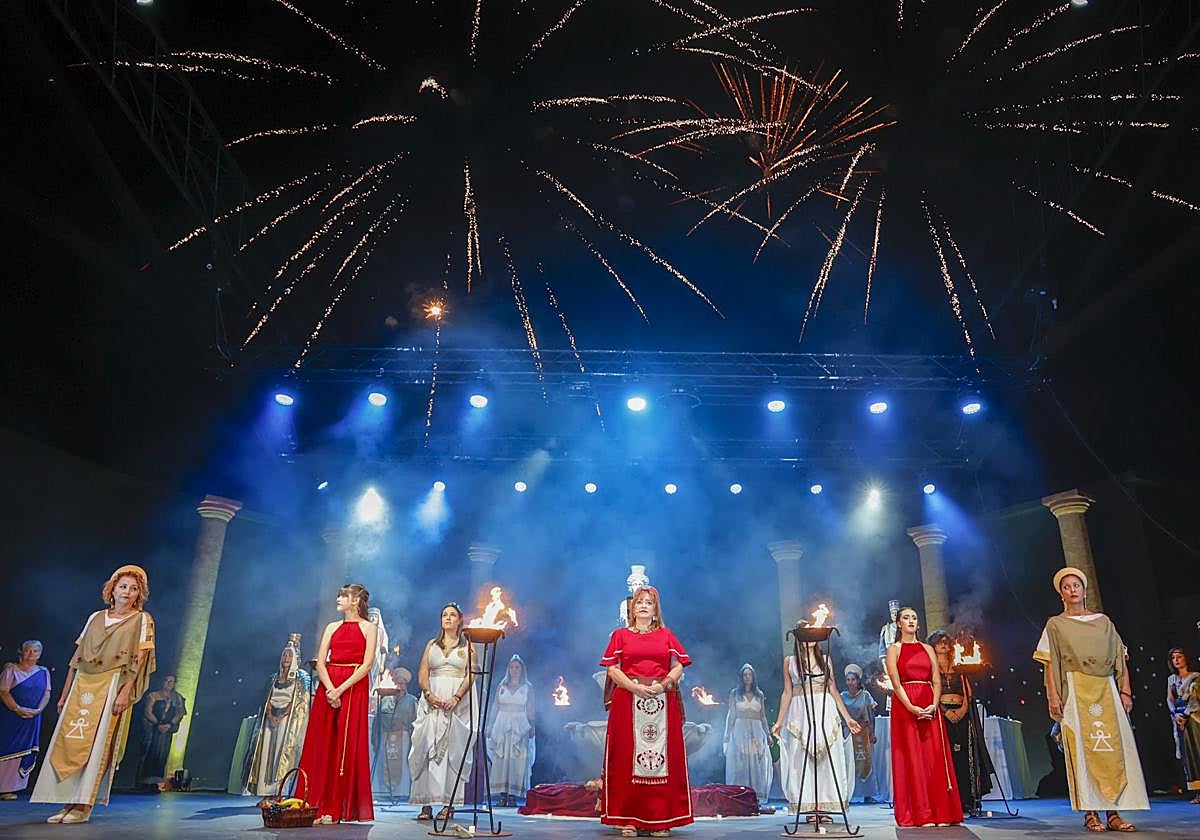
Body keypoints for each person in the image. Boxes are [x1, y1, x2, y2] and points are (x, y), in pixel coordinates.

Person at [31, 565, 156, 825]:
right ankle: (67, 802)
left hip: (111, 683)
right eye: (123, 586)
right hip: (83, 683)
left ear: (138, 594)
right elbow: (76, 659)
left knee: (99, 744)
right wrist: (65, 693)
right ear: (112, 589)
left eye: (133, 589)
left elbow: (139, 660)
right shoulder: (96, 617)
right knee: (70, 740)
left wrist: (124, 692)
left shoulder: (142, 620)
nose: (127, 592)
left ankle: (84, 805)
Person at [1035, 567, 1148, 832]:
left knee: (1111, 748)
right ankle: (1090, 813)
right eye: (1067, 586)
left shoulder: (1103, 622)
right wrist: (1053, 695)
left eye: (1076, 585)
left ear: (1084, 590)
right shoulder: (1056, 624)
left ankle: (1114, 812)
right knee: (1082, 751)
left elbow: (1120, 657)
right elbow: (1049, 663)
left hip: (1105, 687)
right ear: (1061, 593)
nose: (1072, 590)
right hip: (1075, 688)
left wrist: (1125, 690)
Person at [600, 585, 693, 837]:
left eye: (648, 602)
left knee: (663, 760)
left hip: (662, 702)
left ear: (655, 609)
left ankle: (660, 819)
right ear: (633, 608)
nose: (642, 605)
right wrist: (633, 687)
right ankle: (627, 817)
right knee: (624, 758)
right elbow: (612, 669)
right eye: (639, 601)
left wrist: (662, 685)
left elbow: (678, 666)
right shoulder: (620, 635)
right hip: (627, 702)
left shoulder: (666, 635)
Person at [295, 584, 376, 825]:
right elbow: (320, 661)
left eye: (344, 596)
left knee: (344, 747)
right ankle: (314, 803)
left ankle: (335, 806)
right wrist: (330, 688)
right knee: (322, 743)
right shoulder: (332, 627)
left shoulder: (369, 628)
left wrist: (340, 689)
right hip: (328, 684)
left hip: (352, 687)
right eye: (339, 595)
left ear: (356, 601)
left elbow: (367, 663)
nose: (339, 599)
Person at [885, 606, 962, 827]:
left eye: (914, 618)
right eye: (906, 618)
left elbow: (936, 679)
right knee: (913, 759)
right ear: (899, 623)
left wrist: (934, 704)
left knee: (934, 757)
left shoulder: (927, 648)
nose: (911, 621)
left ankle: (942, 812)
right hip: (906, 705)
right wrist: (910, 706)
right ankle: (921, 813)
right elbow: (896, 682)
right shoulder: (894, 649)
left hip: (929, 703)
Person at [772, 627, 860, 821]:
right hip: (800, 710)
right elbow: (787, 692)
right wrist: (779, 722)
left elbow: (834, 690)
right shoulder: (790, 662)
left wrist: (847, 717)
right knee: (802, 759)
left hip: (824, 708)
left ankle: (827, 805)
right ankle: (810, 806)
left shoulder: (825, 659)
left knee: (826, 757)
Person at [410, 603, 477, 822]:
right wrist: (429, 694)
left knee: (451, 752)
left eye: (452, 615)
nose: (447, 618)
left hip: (455, 703)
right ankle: (426, 803)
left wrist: (456, 697)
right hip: (433, 701)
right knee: (427, 746)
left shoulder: (467, 646)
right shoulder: (432, 644)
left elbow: (471, 674)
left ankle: (449, 804)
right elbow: (423, 672)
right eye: (444, 615)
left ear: (460, 620)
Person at [928, 630, 992, 812]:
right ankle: (948, 800)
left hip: (962, 715)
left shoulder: (958, 668)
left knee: (965, 756)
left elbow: (968, 693)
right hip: (942, 715)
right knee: (947, 756)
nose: (943, 644)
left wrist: (962, 710)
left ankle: (967, 798)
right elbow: (931, 693)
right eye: (939, 642)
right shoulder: (931, 670)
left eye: (945, 641)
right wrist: (946, 711)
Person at [244, 636, 311, 796]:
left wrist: (282, 715)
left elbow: (301, 701)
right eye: (284, 655)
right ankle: (264, 790)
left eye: (290, 655)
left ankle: (280, 790)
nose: (286, 658)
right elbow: (266, 698)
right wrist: (270, 715)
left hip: (288, 720)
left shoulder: (301, 678)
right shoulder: (273, 678)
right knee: (267, 752)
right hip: (270, 718)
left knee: (282, 753)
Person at [0, 641, 51, 799]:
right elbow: (3, 692)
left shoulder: (43, 672)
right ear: (21, 652)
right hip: (11, 715)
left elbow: (47, 693)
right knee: (7, 747)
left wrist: (38, 710)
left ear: (39, 654)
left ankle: (9, 788)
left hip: (32, 717)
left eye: (35, 651)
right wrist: (17, 709)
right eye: (28, 650)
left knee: (25, 750)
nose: (31, 654)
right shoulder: (11, 670)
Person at [487, 654, 535, 807]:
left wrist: (532, 725)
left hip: (519, 724)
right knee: (502, 759)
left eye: (517, 667)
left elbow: (530, 708)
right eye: (512, 667)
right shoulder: (502, 686)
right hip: (502, 722)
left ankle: (513, 795)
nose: (514, 670)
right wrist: (490, 724)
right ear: (508, 669)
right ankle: (502, 794)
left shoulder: (527, 687)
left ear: (522, 670)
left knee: (517, 761)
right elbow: (495, 706)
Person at [723, 663, 773, 804]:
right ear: (741, 677)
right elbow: (732, 715)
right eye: (745, 675)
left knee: (756, 762)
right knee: (741, 762)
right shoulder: (735, 694)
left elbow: (763, 716)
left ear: (753, 677)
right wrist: (727, 735)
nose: (747, 677)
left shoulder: (759, 694)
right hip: (740, 729)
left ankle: (756, 795)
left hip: (756, 730)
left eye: (749, 674)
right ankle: (740, 794)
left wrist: (768, 734)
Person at [374, 664, 417, 798]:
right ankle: (385, 793)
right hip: (386, 738)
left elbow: (415, 723)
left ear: (406, 685)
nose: (399, 686)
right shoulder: (385, 700)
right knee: (384, 766)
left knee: (402, 767)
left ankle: (401, 793)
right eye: (397, 683)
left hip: (403, 739)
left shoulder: (412, 701)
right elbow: (377, 721)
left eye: (402, 684)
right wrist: (375, 740)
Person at [137, 675, 187, 786]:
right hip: (152, 729)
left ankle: (157, 782)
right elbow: (147, 711)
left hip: (167, 730)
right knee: (148, 752)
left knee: (162, 754)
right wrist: (158, 724)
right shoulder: (153, 696)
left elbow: (180, 713)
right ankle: (143, 781)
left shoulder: (177, 698)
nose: (169, 683)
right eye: (167, 680)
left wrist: (170, 724)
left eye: (171, 681)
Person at [839, 663, 878, 803]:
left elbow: (870, 715)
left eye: (853, 680)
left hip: (863, 732)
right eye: (848, 680)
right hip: (848, 732)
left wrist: (872, 733)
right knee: (848, 761)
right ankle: (848, 793)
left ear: (858, 681)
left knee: (866, 762)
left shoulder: (865, 695)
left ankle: (868, 794)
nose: (851, 682)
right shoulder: (842, 696)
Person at [1166, 648, 1200, 803]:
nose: (1176, 660)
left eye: (1179, 657)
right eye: (1173, 658)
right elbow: (1170, 699)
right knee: (1187, 754)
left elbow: (1194, 699)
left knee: (1197, 751)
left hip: (1193, 717)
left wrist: (1185, 714)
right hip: (1179, 720)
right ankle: (1197, 791)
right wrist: (1175, 714)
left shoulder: (1195, 677)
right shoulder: (1171, 679)